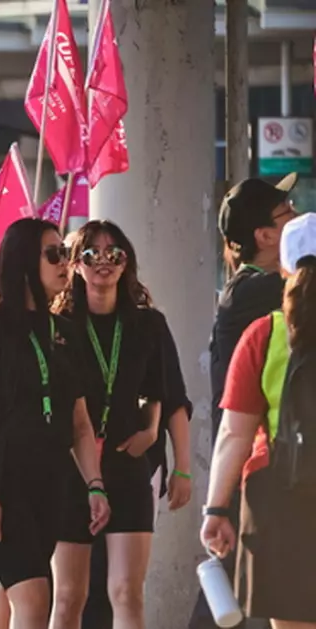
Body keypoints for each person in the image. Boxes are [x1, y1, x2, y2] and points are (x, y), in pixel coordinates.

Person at [0, 218, 108, 629]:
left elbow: (80, 423)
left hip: (51, 485)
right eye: (53, 254)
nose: (65, 264)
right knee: (36, 601)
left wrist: (95, 484)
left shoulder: (66, 333)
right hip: (3, 485)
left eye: (66, 254)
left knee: (10, 600)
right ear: (22, 260)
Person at [48, 221, 169, 629]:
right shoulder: (58, 326)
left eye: (114, 253)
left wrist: (152, 430)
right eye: (91, 254)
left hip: (125, 462)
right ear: (76, 265)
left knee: (127, 593)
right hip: (70, 468)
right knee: (67, 595)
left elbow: (163, 391)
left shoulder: (147, 323)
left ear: (126, 261)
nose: (104, 261)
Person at [192, 173, 297, 629]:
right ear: (264, 235)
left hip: (260, 464)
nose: (295, 217)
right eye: (287, 213)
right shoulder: (258, 291)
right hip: (254, 465)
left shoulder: (258, 288)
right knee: (235, 599)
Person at [203, 213, 316, 628]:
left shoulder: (265, 333)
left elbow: (235, 432)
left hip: (275, 494)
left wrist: (216, 508)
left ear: (284, 267)